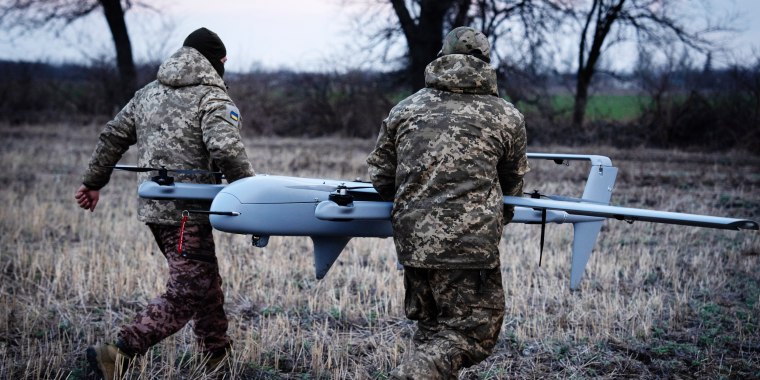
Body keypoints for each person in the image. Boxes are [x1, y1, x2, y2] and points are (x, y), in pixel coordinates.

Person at [75, 27, 254, 379]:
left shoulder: (147, 93)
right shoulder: (213, 98)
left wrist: (93, 182)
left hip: (156, 211)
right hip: (189, 213)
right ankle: (119, 353)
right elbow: (226, 149)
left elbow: (113, 134)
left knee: (204, 281)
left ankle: (216, 357)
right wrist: (249, 192)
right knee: (189, 289)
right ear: (219, 61)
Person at [366, 26, 529, 379]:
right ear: (486, 62)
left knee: (432, 330)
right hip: (470, 245)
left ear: (441, 57)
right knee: (471, 334)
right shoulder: (506, 116)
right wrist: (495, 222)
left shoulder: (405, 110)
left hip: (413, 242)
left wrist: (417, 207)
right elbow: (513, 184)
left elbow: (380, 178)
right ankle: (411, 374)